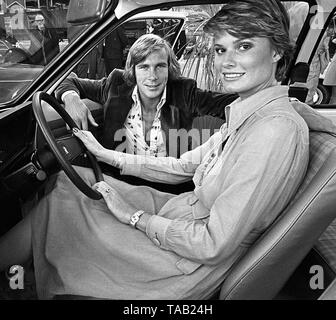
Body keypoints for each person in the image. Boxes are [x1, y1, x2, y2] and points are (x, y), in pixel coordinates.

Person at [0, 0, 318, 300]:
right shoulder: (249, 113)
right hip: (177, 212)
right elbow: (182, 166)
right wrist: (103, 153)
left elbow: (212, 244)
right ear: (132, 70)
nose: (226, 62)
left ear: (277, 51)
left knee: (57, 206)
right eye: (221, 49)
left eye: (244, 46)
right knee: (66, 185)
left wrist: (134, 217)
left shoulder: (273, 129)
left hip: (182, 263)